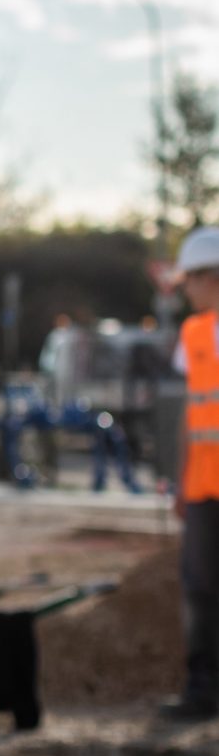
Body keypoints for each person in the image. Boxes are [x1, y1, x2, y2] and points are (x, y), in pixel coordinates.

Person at [160, 224, 219, 721]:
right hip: (202, 487)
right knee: (200, 588)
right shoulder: (194, 333)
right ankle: (203, 691)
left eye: (191, 282)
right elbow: (190, 413)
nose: (187, 292)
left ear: (209, 276)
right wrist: (181, 479)